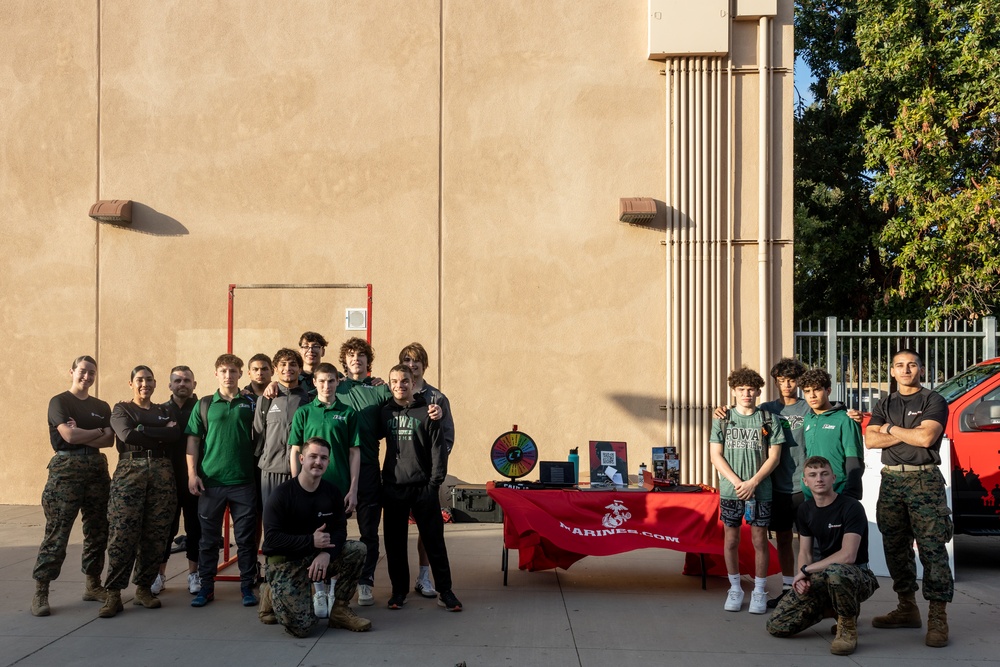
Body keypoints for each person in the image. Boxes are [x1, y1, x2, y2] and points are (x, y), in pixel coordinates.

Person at [865, 349, 952, 648]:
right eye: (900, 365)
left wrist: (888, 428)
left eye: (912, 365)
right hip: (891, 481)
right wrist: (905, 432)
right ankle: (907, 607)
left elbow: (926, 438)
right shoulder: (884, 402)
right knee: (895, 547)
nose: (906, 370)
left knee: (932, 549)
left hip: (924, 480)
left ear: (921, 369)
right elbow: (870, 439)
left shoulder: (933, 400)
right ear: (891, 371)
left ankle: (938, 617)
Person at [766, 456, 879, 656]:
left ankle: (847, 626)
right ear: (805, 482)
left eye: (824, 474)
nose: (819, 479)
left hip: (857, 577)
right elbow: (805, 552)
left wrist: (806, 570)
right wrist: (803, 578)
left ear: (833, 478)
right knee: (777, 625)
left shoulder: (851, 507)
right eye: (813, 475)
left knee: (837, 571)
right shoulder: (805, 510)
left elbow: (848, 556)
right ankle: (835, 608)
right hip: (825, 575)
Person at [260, 437, 371, 638]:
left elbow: (339, 531)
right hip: (286, 562)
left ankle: (339, 610)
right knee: (303, 628)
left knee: (357, 549)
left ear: (328, 462)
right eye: (313, 456)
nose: (318, 462)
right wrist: (310, 541)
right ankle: (270, 591)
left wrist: (327, 554)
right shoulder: (281, 495)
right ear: (301, 459)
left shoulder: (331, 493)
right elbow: (271, 540)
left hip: (317, 559)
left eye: (323, 458)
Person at [31, 355, 115, 617]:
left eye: (92, 373)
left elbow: (110, 441)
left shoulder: (101, 406)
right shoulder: (60, 402)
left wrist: (85, 434)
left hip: (96, 472)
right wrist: (97, 433)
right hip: (66, 472)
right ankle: (41, 592)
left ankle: (92, 585)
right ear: (72, 372)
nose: (86, 376)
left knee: (98, 530)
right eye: (82, 371)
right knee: (58, 532)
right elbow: (67, 435)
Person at [380, 364, 462, 612]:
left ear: (412, 382)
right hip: (394, 488)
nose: (399, 385)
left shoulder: (428, 412)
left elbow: (439, 451)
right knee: (394, 544)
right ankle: (398, 592)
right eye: (394, 381)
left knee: (434, 541)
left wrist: (434, 484)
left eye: (404, 381)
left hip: (423, 488)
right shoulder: (384, 413)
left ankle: (445, 591)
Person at [100, 366, 180, 618]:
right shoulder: (122, 409)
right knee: (122, 532)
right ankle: (113, 593)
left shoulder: (164, 410)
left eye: (149, 380)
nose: (144, 383)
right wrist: (157, 431)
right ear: (131, 383)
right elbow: (125, 433)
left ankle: (144, 588)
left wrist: (143, 430)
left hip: (162, 472)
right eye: (139, 380)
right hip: (130, 471)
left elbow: (174, 434)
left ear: (155, 384)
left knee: (156, 532)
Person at [709, 367, 784, 615]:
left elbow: (774, 457)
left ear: (758, 391)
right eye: (741, 389)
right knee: (731, 540)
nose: (746, 393)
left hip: (760, 490)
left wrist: (753, 482)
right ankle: (735, 588)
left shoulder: (768, 419)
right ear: (733, 391)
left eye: (751, 389)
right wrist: (737, 482)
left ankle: (759, 590)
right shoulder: (723, 418)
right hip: (732, 491)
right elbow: (715, 455)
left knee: (759, 540)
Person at [185, 354, 259, 608]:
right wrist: (192, 474)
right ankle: (206, 588)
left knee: (246, 539)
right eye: (224, 371)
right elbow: (193, 441)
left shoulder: (251, 402)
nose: (228, 375)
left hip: (243, 481)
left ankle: (247, 587)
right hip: (211, 482)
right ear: (216, 374)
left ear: (241, 374)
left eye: (233, 371)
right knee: (208, 540)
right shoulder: (205, 404)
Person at [335, 337, 392, 607]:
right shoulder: (335, 387)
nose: (356, 359)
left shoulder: (380, 390)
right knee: (336, 528)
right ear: (344, 360)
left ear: (369, 361)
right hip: (337, 469)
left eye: (361, 355)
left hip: (368, 466)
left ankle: (365, 582)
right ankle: (335, 579)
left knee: (369, 529)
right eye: (351, 355)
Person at [399, 342, 455, 598]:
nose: (412, 366)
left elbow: (447, 438)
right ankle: (398, 583)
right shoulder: (394, 395)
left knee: (428, 531)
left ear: (424, 365)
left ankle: (424, 577)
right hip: (400, 479)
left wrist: (435, 470)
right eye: (407, 361)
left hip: (426, 480)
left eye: (416, 362)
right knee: (397, 532)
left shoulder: (437, 398)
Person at [756, 358, 809, 608]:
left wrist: (848, 410)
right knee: (784, 539)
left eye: (791, 380)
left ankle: (807, 588)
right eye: (782, 381)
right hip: (777, 486)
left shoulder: (808, 407)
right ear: (776, 382)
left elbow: (834, 408)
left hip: (805, 484)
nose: (787, 384)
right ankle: (788, 588)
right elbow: (741, 415)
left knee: (810, 541)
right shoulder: (766, 409)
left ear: (799, 381)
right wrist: (720, 411)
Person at [158, 365, 202, 596]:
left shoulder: (203, 408)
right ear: (170, 385)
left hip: (195, 480)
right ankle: (160, 575)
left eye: (187, 380)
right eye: (177, 381)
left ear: (194, 384)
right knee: (166, 528)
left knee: (195, 528)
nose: (182, 384)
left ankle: (193, 574)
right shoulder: (160, 411)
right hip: (168, 480)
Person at [256, 348, 310, 509]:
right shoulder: (265, 400)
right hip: (271, 471)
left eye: (293, 364)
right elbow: (258, 433)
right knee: (272, 521)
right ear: (276, 369)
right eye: (283, 364)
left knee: (298, 520)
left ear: (300, 369)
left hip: (302, 471)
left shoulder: (309, 399)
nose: (288, 368)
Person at [800, 368, 864, 501]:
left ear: (828, 391)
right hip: (810, 495)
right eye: (807, 391)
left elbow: (854, 459)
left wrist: (851, 495)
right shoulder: (807, 419)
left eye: (817, 389)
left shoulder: (845, 419)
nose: (812, 395)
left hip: (838, 493)